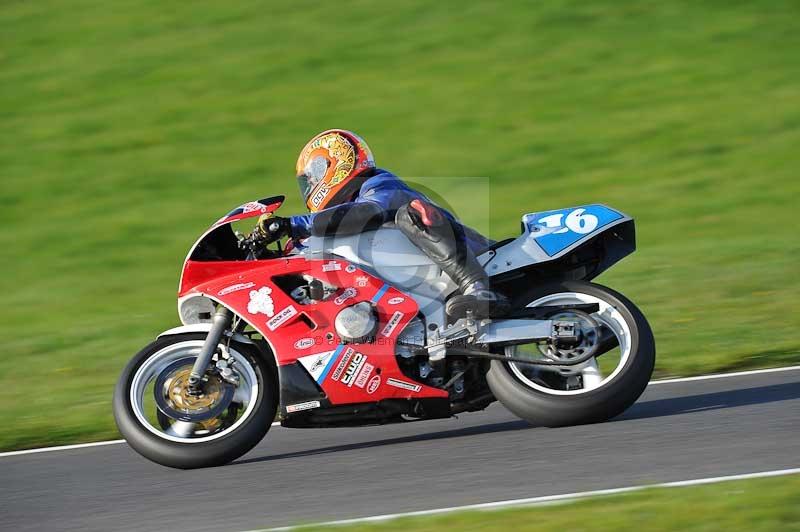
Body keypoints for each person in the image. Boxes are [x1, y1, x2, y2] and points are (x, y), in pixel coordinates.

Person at [256, 129, 506, 318]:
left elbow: (368, 212)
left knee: (410, 213)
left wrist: (292, 224)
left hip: (481, 257)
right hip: (434, 299)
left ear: (334, 162)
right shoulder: (341, 221)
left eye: (312, 177)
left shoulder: (377, 184)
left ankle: (476, 287)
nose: (310, 187)